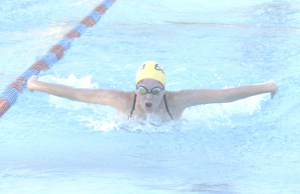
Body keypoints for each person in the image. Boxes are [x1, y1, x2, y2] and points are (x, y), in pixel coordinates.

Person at [27, 61, 278, 121]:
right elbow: (74, 93)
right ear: (134, 90)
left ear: (165, 90)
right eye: (143, 90)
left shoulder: (177, 101)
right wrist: (35, 84)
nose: (149, 96)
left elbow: (225, 96)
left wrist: (267, 87)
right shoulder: (120, 101)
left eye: (156, 91)